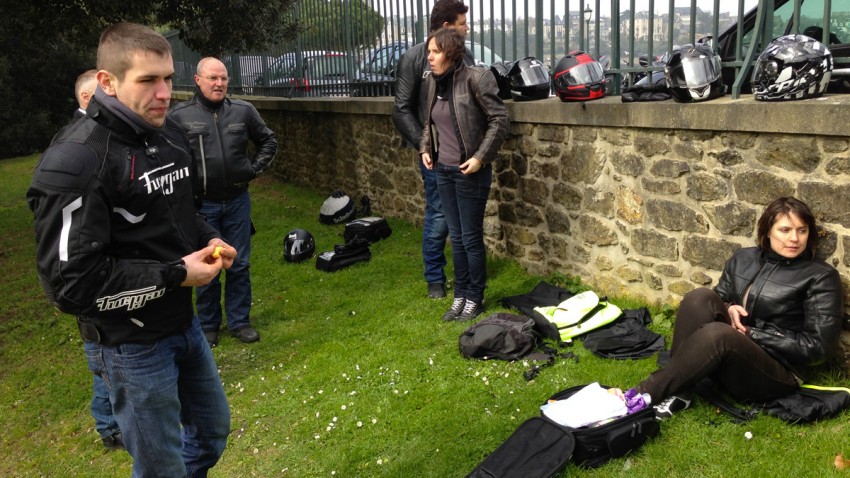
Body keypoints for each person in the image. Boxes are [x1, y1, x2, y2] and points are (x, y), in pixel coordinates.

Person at [27, 22, 231, 476]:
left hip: (183, 324)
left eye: (168, 78)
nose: (164, 93)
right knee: (161, 468)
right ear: (107, 82)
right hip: (130, 346)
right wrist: (177, 274)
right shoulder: (76, 161)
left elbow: (178, 215)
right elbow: (72, 287)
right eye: (148, 80)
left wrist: (207, 239)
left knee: (212, 434)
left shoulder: (168, 134)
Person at [622, 197, 844, 419]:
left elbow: (819, 348)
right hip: (733, 354)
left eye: (802, 231)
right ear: (768, 231)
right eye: (785, 230)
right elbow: (717, 298)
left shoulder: (820, 276)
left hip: (778, 372)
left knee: (718, 333)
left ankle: (638, 396)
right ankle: (681, 391)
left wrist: (751, 333)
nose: (794, 238)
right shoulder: (743, 258)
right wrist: (728, 308)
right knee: (698, 298)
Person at [170, 57, 278, 347]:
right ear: (198, 80)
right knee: (208, 266)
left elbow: (268, 141)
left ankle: (240, 321)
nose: (219, 84)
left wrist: (252, 169)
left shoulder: (243, 111)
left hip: (237, 200)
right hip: (201, 206)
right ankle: (208, 325)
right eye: (212, 78)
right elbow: (168, 157)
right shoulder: (179, 117)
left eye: (223, 78)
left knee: (239, 263)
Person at [419, 28, 509, 321]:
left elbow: (499, 120)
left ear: (451, 53)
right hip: (443, 171)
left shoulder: (476, 78)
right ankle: (460, 295)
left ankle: (475, 297)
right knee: (455, 239)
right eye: (429, 51)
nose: (430, 57)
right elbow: (428, 123)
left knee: (470, 238)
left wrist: (480, 158)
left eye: (435, 51)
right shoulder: (432, 82)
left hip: (469, 172)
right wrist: (426, 148)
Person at [393, 0, 473, 300]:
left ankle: (468, 274)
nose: (468, 28)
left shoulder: (466, 56)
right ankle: (435, 278)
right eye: (463, 23)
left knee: (465, 216)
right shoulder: (415, 58)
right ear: (446, 26)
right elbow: (401, 109)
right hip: (434, 156)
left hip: (464, 153)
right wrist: (424, 146)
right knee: (439, 215)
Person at [69, 68, 125, 451]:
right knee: (102, 350)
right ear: (90, 99)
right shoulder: (79, 146)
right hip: (92, 266)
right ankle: (108, 426)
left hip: (109, 261)